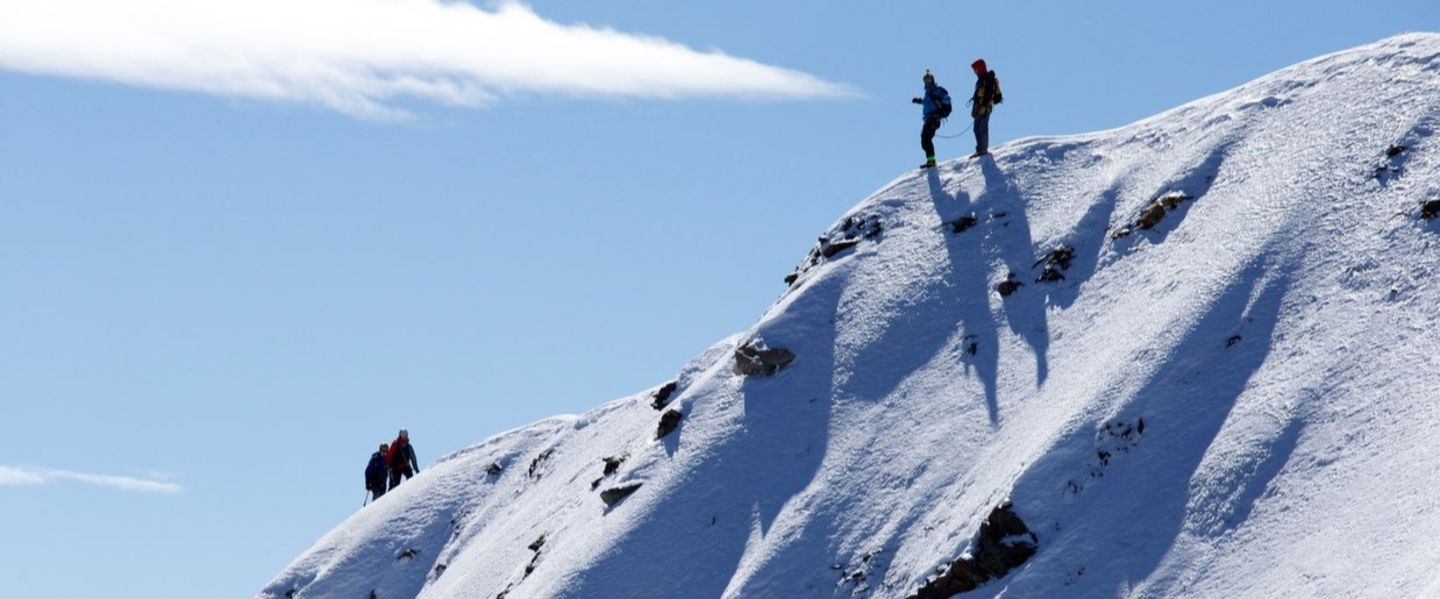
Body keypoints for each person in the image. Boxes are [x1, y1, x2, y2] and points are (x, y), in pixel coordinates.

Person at [911, 70, 952, 169]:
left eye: (929, 80)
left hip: (934, 118)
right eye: (925, 80)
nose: (927, 82)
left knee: (926, 138)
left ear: (932, 80)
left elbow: (946, 98)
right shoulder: (928, 92)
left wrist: (941, 104)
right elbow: (927, 102)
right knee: (925, 138)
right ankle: (930, 159)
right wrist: (919, 101)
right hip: (929, 118)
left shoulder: (935, 90)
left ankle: (931, 160)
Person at [968, 59, 1002, 158]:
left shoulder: (987, 79)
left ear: (980, 68)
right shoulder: (983, 79)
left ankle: (982, 150)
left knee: (981, 129)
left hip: (984, 109)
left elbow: (987, 94)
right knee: (977, 129)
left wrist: (983, 104)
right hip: (981, 109)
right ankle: (980, 149)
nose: (975, 72)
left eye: (976, 70)